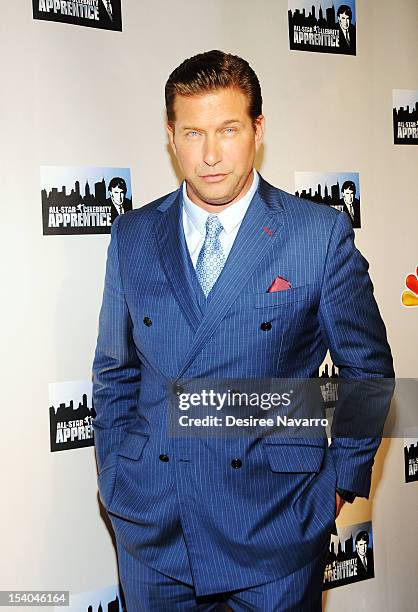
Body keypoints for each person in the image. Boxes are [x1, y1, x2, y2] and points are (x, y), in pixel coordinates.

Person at [92, 50, 394, 610]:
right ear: (170, 134)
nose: (210, 155)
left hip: (275, 527)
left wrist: (338, 483)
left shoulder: (317, 236)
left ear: (258, 129)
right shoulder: (133, 235)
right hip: (155, 528)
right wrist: (115, 473)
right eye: (193, 133)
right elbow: (114, 371)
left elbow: (367, 373)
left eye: (228, 130)